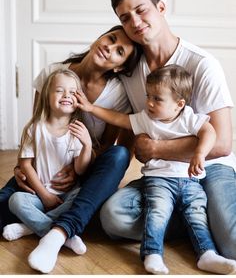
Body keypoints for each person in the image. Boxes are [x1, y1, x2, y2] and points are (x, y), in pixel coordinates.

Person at [99, 0, 236, 265]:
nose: (135, 22)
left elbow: (222, 143)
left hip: (209, 167)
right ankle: (197, 220)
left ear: (161, 7)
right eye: (125, 18)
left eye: (141, 10)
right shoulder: (129, 70)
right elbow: (126, 123)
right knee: (113, 218)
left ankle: (205, 220)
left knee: (233, 244)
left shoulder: (202, 64)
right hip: (162, 175)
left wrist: (156, 149)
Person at [0, 25, 142, 273]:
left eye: (119, 51)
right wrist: (24, 166)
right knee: (6, 205)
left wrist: (78, 168)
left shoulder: (118, 93)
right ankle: (44, 225)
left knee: (117, 155)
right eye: (110, 38)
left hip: (85, 165)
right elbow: (38, 125)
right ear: (100, 36)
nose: (109, 48)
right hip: (45, 168)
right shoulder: (53, 73)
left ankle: (57, 229)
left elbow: (108, 146)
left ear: (120, 66)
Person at [76, 64, 236, 275]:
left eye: (157, 99)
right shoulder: (146, 119)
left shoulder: (188, 117)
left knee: (197, 214)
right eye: (148, 95)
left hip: (190, 180)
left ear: (179, 104)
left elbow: (209, 132)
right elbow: (119, 119)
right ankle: (152, 253)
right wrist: (90, 108)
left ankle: (206, 255)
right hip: (159, 180)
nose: (149, 102)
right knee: (157, 212)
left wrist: (199, 153)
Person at [3, 68, 92, 255]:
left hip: (66, 196)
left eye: (73, 92)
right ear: (46, 96)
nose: (66, 95)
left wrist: (87, 145)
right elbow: (25, 164)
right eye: (59, 90)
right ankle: (63, 235)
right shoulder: (34, 129)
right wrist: (45, 195)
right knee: (15, 200)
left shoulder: (77, 130)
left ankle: (27, 228)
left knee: (82, 197)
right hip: (39, 194)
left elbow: (80, 170)